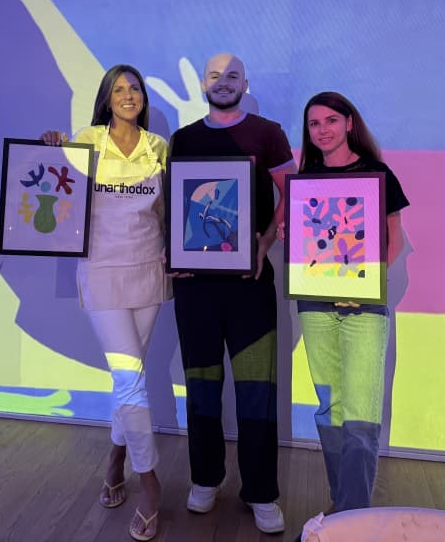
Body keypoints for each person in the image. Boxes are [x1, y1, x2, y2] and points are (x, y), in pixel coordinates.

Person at [169, 53, 297, 535]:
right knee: (201, 386)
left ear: (246, 83)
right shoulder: (184, 139)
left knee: (256, 391)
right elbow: (177, 204)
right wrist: (173, 249)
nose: (223, 83)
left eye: (233, 76)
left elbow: (292, 192)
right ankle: (205, 478)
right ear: (204, 84)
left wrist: (265, 241)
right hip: (194, 287)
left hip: (250, 285)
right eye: (215, 76)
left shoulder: (268, 133)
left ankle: (261, 492)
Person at [41, 64, 168, 542]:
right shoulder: (87, 140)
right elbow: (58, 188)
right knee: (130, 379)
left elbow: (167, 212)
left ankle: (116, 458)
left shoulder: (159, 148)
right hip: (101, 272)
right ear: (107, 99)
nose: (128, 95)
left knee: (127, 379)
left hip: (149, 274)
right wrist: (51, 149)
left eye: (134, 87)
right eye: (118, 89)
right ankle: (150, 484)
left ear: (142, 97)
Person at [287, 91, 409, 518]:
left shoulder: (378, 174)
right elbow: (305, 244)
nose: (322, 130)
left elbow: (394, 241)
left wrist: (362, 284)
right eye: (314, 124)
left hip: (365, 309)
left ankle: (353, 515)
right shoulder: (306, 179)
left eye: (331, 121)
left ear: (349, 123)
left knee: (360, 412)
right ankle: (344, 507)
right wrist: (291, 237)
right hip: (315, 307)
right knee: (329, 407)